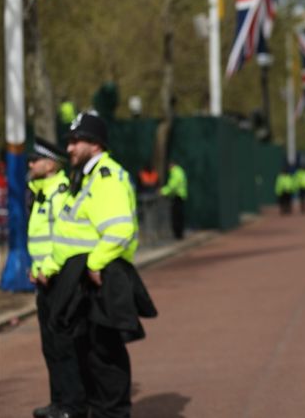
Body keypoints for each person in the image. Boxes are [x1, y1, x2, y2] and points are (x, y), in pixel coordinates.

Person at [40, 111, 156, 418]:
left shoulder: (106, 176)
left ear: (95, 144)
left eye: (76, 141)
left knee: (104, 352)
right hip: (82, 274)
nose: (69, 148)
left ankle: (113, 413)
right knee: (87, 350)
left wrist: (94, 263)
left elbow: (120, 229)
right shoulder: (85, 176)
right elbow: (72, 230)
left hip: (101, 273)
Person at [26, 137, 77, 418]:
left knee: (63, 343)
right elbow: (40, 239)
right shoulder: (40, 192)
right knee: (50, 345)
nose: (30, 164)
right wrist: (36, 269)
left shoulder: (60, 192)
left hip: (57, 278)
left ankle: (71, 405)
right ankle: (59, 402)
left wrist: (47, 268)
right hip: (43, 278)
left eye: (35, 160)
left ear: (50, 165)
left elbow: (63, 237)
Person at [160, 161, 188, 239]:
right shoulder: (179, 171)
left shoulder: (175, 172)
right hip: (180, 196)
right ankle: (179, 234)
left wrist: (163, 191)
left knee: (176, 216)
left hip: (177, 196)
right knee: (179, 216)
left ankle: (178, 234)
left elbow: (172, 185)